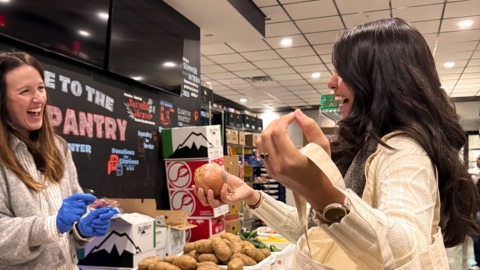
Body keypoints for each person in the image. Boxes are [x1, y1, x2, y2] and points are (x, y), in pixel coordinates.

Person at [193, 17, 480, 269]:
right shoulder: (370, 147)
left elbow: (405, 251)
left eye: (342, 72)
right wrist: (254, 198)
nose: (331, 83)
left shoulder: (405, 149)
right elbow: (323, 239)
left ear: (378, 79)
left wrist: (323, 192)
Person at [0, 52, 117, 270]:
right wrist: (51, 225)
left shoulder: (58, 147)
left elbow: (70, 228)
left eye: (41, 88)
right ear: (3, 100)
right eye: (25, 91)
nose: (39, 99)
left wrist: (83, 228)